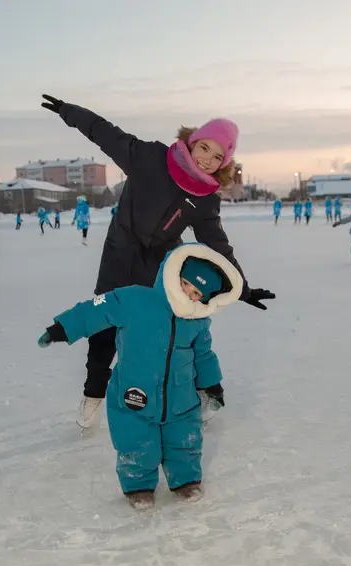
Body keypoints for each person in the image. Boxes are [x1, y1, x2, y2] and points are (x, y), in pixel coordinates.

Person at [40, 93, 274, 428]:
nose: (207, 159)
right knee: (103, 317)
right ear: (192, 141)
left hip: (160, 266)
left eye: (218, 156)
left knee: (176, 328)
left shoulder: (205, 198)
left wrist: (243, 288)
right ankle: (93, 392)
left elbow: (217, 244)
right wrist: (68, 111)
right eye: (204, 147)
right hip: (119, 254)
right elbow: (104, 133)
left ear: (224, 163)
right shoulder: (149, 157)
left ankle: (203, 389)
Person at [38, 243, 242, 509]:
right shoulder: (135, 299)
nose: (189, 296)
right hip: (135, 392)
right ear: (173, 274)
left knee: (184, 441)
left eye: (197, 294)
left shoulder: (197, 321)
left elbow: (203, 354)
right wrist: (62, 328)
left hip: (180, 397)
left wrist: (212, 385)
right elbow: (96, 309)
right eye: (185, 285)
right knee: (136, 442)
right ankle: (138, 485)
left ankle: (185, 480)